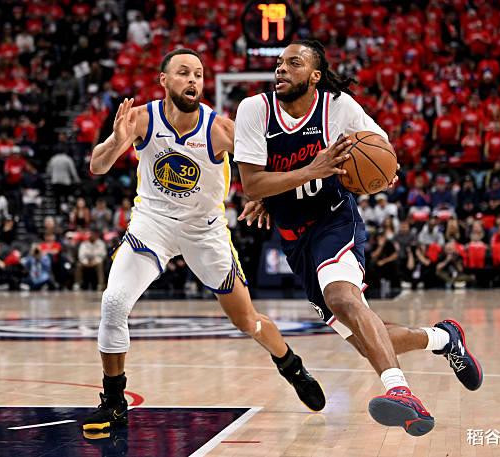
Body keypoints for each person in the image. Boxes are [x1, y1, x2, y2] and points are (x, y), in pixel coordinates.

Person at [234, 40, 483, 436]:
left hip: (334, 220)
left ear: (315, 76)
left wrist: (379, 171)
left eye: (293, 63)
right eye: (279, 63)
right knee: (367, 340)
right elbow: (252, 184)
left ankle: (401, 392)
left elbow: (383, 155)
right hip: (294, 240)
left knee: (341, 297)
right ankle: (443, 338)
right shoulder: (254, 110)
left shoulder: (339, 107)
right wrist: (298, 178)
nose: (281, 68)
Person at [82, 48, 325, 433]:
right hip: (153, 225)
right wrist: (116, 141)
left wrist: (263, 197)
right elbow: (97, 166)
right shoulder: (141, 118)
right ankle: (114, 402)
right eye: (183, 72)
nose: (192, 80)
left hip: (204, 230)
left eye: (198, 74)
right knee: (113, 303)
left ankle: (291, 366)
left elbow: (266, 166)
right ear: (164, 80)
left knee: (246, 320)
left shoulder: (220, 129)